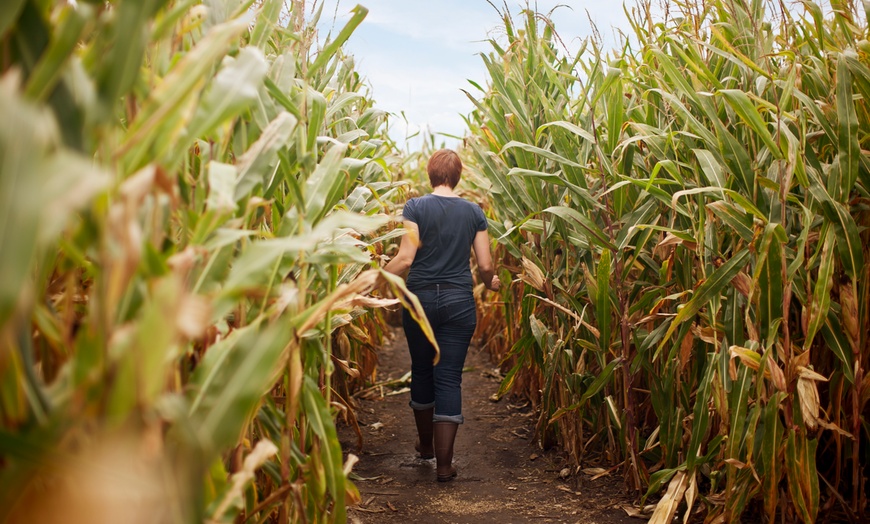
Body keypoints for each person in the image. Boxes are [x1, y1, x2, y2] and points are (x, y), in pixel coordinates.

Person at [383, 149, 501, 482]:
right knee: (448, 375)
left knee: (421, 369)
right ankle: (445, 466)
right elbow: (485, 265)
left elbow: (405, 259)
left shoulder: (415, 207)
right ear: (458, 175)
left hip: (420, 300)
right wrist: (491, 282)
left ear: (431, 174)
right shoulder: (474, 212)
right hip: (458, 301)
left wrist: (375, 278)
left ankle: (425, 447)